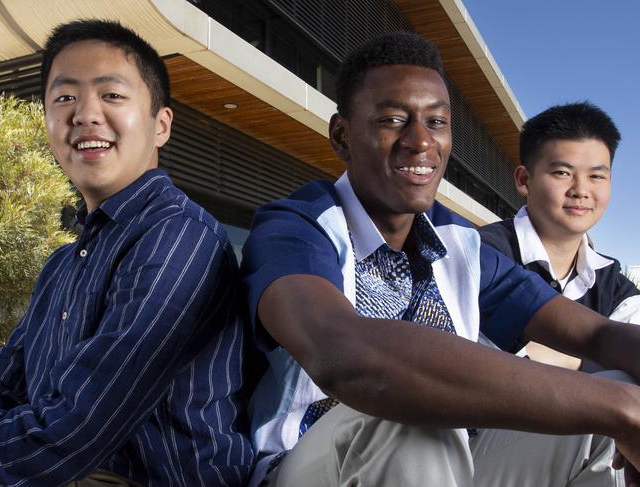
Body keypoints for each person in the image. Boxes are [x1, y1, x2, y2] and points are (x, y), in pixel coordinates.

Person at [240, 31, 640, 487]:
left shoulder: (458, 242)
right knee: (413, 412)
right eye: (392, 119)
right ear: (342, 136)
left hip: (449, 463)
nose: (420, 142)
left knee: (605, 406)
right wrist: (622, 408)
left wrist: (623, 403)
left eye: (436, 122)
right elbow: (347, 357)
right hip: (310, 468)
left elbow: (597, 332)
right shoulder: (297, 227)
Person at [0, 20, 253, 486]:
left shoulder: (179, 239)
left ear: (161, 125)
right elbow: (4, 382)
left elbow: (74, 433)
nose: (85, 115)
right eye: (65, 97)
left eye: (111, 95)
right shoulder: (63, 265)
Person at [479, 102, 640, 371]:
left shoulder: (614, 285)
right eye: (562, 173)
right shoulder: (482, 255)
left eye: (596, 176)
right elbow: (478, 365)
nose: (581, 190)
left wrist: (560, 358)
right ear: (523, 180)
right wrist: (599, 360)